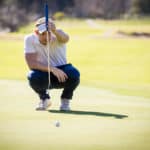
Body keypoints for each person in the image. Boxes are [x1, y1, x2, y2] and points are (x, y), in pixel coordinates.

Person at [24, 17, 80, 111]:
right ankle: (44, 99)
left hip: (62, 73)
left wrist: (55, 31)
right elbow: (32, 64)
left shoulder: (57, 34)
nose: (46, 37)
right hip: (44, 73)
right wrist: (53, 69)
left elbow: (65, 38)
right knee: (32, 76)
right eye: (43, 34)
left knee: (74, 74)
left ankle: (65, 100)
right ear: (36, 32)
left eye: (49, 33)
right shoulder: (29, 39)